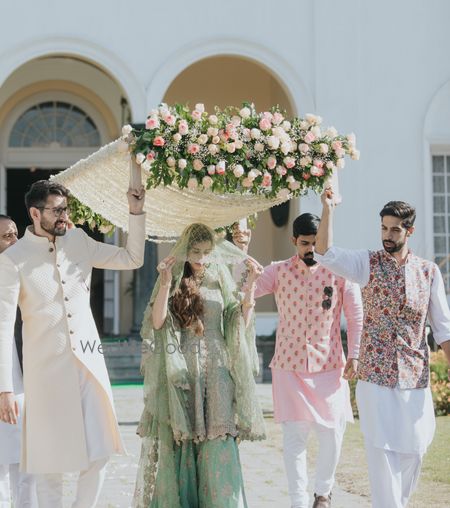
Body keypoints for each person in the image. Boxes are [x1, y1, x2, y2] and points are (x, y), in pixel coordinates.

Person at [0, 180, 146, 507]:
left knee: (101, 452)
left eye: (66, 209)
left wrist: (136, 213)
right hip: (45, 376)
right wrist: (5, 388)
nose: (65, 216)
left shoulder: (79, 240)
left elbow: (132, 257)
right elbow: (4, 324)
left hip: (88, 368)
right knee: (50, 468)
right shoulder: (13, 259)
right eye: (57, 210)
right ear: (35, 213)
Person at [315, 191, 450, 508]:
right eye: (384, 228)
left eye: (394, 230)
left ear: (409, 231)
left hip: (414, 376)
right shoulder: (366, 263)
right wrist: (328, 210)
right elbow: (325, 253)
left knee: (415, 448)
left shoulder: (428, 272)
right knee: (380, 452)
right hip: (375, 376)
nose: (387, 235)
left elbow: (443, 325)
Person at [233, 214, 363, 508]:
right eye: (305, 243)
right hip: (289, 367)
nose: (311, 249)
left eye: (317, 244)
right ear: (294, 241)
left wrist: (354, 354)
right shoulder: (278, 272)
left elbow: (355, 317)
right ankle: (297, 501)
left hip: (330, 367)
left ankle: (323, 493)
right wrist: (241, 252)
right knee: (294, 440)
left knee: (332, 435)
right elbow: (244, 287)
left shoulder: (341, 273)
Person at [134, 223, 265, 508]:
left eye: (207, 252)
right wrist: (167, 280)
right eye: (195, 251)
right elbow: (157, 323)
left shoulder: (220, 279)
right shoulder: (176, 278)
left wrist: (251, 284)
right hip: (184, 369)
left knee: (218, 437)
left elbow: (237, 325)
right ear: (184, 250)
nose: (202, 257)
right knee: (184, 440)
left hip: (218, 370)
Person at [0, 215, 38, 507]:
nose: (14, 241)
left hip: (27, 375)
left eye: (14, 234)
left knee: (27, 459)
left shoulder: (27, 273)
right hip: (6, 379)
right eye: (6, 236)